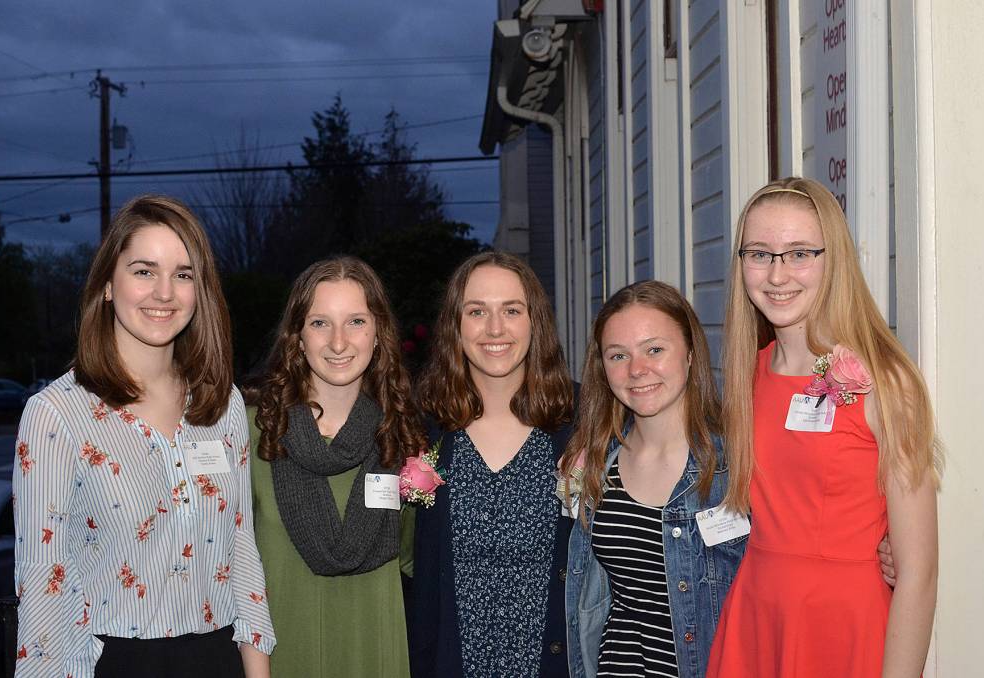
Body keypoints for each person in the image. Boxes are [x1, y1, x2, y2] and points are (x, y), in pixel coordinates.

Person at [12, 195, 275, 678]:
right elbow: (43, 581)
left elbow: (241, 549)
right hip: (114, 662)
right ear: (107, 285)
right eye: (143, 271)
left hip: (217, 659)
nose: (164, 292)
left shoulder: (223, 405)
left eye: (183, 274)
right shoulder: (57, 414)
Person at [706, 177, 941, 678]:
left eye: (799, 253)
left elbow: (918, 574)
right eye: (759, 254)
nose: (777, 275)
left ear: (834, 259)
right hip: (757, 618)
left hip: (844, 626)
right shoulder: (749, 375)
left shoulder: (885, 383)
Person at [247, 256, 424, 677]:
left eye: (356, 322)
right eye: (320, 323)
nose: (339, 343)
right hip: (280, 658)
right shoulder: (253, 434)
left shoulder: (406, 440)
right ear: (298, 337)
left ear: (378, 333)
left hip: (375, 654)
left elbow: (422, 559)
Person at [560, 281, 745, 678]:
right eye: (618, 355)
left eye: (655, 350)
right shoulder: (596, 464)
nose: (636, 370)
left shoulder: (738, 464)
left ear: (690, 353)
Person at [408, 251, 576, 678]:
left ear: (535, 321)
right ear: (455, 325)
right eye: (477, 311)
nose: (495, 328)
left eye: (512, 310)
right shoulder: (421, 427)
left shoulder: (583, 421)